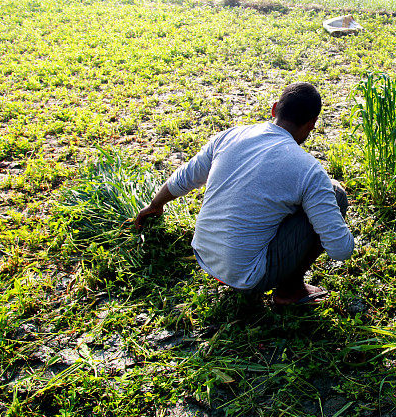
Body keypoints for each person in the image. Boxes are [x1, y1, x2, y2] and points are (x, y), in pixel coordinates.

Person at [133, 82, 354, 305]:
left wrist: (155, 205)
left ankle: (242, 269)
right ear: (312, 124)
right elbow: (340, 250)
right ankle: (289, 290)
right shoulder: (309, 170)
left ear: (275, 108)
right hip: (248, 276)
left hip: (204, 256)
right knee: (335, 193)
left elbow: (185, 177)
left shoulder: (230, 135)